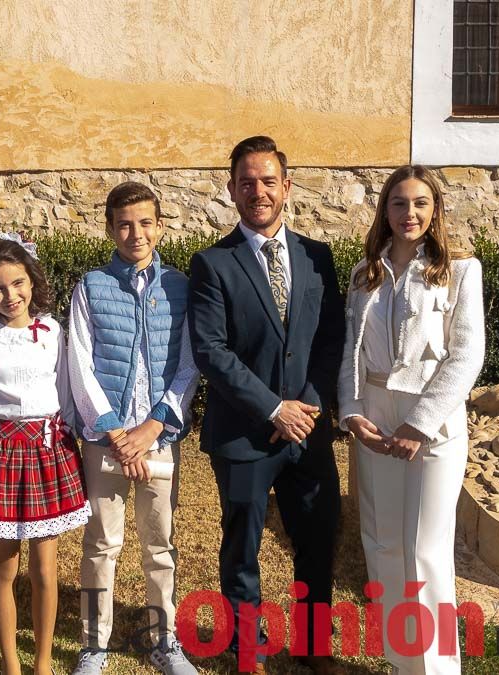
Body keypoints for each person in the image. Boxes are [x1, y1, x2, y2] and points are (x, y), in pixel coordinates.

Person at [187, 136, 345, 674]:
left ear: (287, 187)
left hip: (309, 432)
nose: (258, 191)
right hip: (244, 435)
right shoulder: (212, 263)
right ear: (231, 190)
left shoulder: (317, 257)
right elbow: (211, 350)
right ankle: (246, 644)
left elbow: (330, 342)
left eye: (268, 180)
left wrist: (306, 407)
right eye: (247, 182)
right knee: (242, 549)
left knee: (318, 540)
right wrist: (274, 409)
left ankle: (312, 645)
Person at [337, 165, 485, 675]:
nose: (409, 213)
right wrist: (352, 412)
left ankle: (438, 670)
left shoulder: (461, 269)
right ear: (385, 210)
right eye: (399, 203)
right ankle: (403, 663)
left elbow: (466, 356)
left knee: (425, 550)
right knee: (382, 544)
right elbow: (351, 353)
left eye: (420, 203)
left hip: (432, 422)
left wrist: (419, 425)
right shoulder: (365, 274)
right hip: (375, 418)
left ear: (435, 209)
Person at [66, 181, 199, 675]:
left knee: (159, 542)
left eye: (145, 223)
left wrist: (155, 425)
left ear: (160, 226)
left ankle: (164, 640)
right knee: (102, 542)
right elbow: (80, 361)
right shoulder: (91, 286)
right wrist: (115, 433)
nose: (135, 233)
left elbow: (189, 363)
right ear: (110, 229)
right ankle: (93, 645)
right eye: (124, 224)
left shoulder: (180, 287)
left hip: (158, 440)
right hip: (108, 442)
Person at [0, 236, 90, 675]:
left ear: (33, 283)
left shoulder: (53, 331)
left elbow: (66, 396)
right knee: (4, 565)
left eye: (18, 284)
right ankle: (11, 663)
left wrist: (69, 443)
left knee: (45, 568)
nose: (10, 296)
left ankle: (44, 660)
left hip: (48, 451)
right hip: (2, 456)